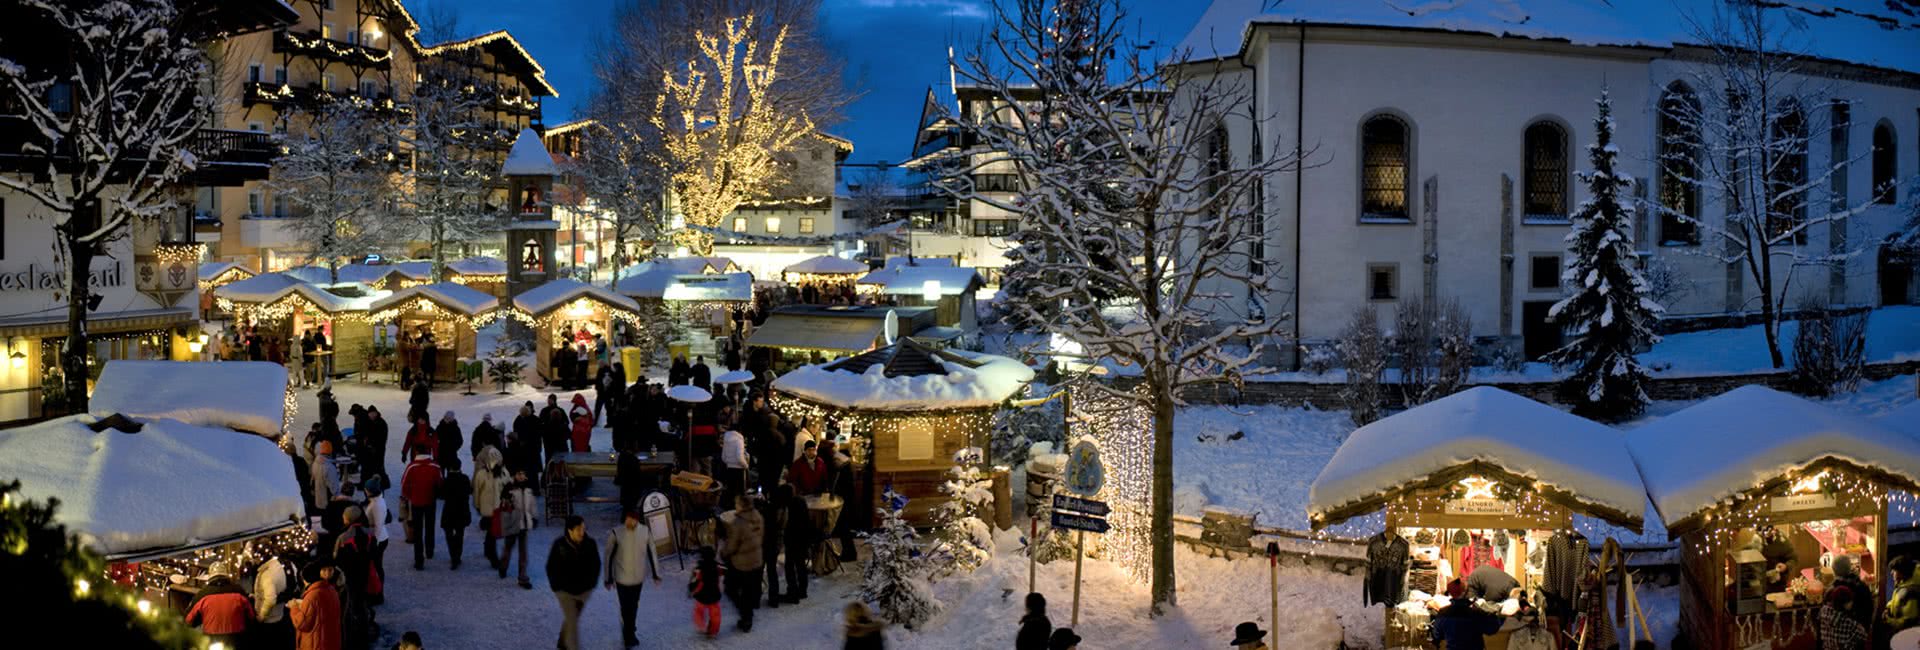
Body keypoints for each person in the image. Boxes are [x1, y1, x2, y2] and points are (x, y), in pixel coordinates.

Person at [605, 509, 664, 648]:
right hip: (621, 579)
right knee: (626, 607)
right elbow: (608, 556)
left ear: (637, 519)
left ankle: (630, 631)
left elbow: (652, 552)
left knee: (633, 606)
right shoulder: (616, 533)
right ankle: (628, 637)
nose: (629, 522)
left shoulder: (645, 532)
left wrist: (656, 574)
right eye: (627, 519)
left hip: (638, 579)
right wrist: (608, 578)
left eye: (632, 519)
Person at [547, 515, 601, 650]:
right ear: (569, 531)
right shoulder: (559, 545)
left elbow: (596, 565)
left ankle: (562, 642)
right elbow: (550, 566)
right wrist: (556, 587)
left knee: (573, 617)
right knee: (572, 622)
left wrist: (591, 584)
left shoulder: (590, 544)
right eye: (578, 529)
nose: (582, 532)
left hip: (583, 591)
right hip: (565, 592)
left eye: (583, 528)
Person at [722, 494, 765, 632]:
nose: (735, 506)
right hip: (757, 559)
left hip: (742, 564)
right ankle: (751, 607)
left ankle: (746, 618)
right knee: (750, 588)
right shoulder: (758, 516)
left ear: (741, 505)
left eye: (737, 503)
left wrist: (723, 553)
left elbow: (731, 546)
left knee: (731, 588)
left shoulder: (738, 523)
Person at [184, 561, 253, 647]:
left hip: (212, 639)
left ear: (210, 577)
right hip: (237, 639)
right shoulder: (239, 591)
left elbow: (188, 620)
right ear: (226, 576)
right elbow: (251, 615)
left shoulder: (202, 594)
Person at [400, 449, 442, 570]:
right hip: (430, 501)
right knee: (430, 526)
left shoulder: (412, 466)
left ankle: (419, 560)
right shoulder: (435, 466)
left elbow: (404, 484)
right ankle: (429, 551)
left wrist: (409, 496)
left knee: (417, 531)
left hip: (416, 502)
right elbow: (440, 483)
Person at [1431, 585, 1504, 650]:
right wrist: (1493, 614)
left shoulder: (1443, 612)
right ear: (1466, 594)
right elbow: (1492, 629)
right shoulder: (1475, 613)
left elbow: (1436, 635)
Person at [288, 561, 341, 650]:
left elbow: (302, 623)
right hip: (330, 641)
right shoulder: (331, 589)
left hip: (315, 643)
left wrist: (294, 607)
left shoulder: (313, 595)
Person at [252, 552, 300, 648]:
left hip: (269, 619)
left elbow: (270, 599)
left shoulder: (267, 574)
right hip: (282, 614)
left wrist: (262, 616)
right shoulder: (283, 565)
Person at [473, 444, 506, 571]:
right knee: (492, 533)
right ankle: (493, 558)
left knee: (491, 532)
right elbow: (477, 491)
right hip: (492, 508)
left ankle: (489, 552)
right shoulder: (498, 473)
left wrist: (477, 505)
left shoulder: (485, 473)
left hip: (493, 508)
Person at [438, 458, 473, 570]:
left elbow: (441, 495)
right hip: (462, 510)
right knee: (460, 533)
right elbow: (470, 491)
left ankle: (453, 555)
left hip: (449, 510)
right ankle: (457, 555)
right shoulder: (465, 478)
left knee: (449, 534)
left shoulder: (447, 480)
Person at [782, 489, 814, 603]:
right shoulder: (801, 502)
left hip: (793, 540)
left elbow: (788, 524)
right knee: (801, 566)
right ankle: (802, 591)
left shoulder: (790, 506)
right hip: (803, 540)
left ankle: (793, 592)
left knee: (789, 567)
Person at [1820, 584, 1871, 650]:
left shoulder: (1824, 612)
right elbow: (1864, 636)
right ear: (1845, 603)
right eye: (1850, 600)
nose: (1852, 603)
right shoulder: (1849, 622)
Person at [689, 546, 724, 638]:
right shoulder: (717, 566)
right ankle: (713, 631)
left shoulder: (699, 568)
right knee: (715, 615)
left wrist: (691, 590)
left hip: (702, 595)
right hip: (714, 595)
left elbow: (694, 581)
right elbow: (726, 571)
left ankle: (701, 626)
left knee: (698, 611)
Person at [363, 477, 392, 588]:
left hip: (378, 539)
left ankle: (379, 587)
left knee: (377, 565)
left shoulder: (376, 505)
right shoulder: (377, 500)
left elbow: (378, 525)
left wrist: (374, 541)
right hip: (379, 537)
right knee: (377, 564)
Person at [1888, 556, 1920, 634]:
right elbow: (1897, 600)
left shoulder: (1910, 592)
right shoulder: (1903, 582)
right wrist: (1888, 607)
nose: (1891, 573)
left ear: (1903, 572)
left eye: (1894, 570)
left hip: (1906, 633)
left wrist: (1889, 621)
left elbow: (1908, 622)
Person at [360, 406, 390, 485]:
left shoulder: (381, 423)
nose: (372, 415)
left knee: (378, 467)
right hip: (368, 449)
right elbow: (364, 434)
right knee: (367, 467)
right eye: (370, 414)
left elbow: (382, 438)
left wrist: (374, 446)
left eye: (374, 413)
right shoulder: (366, 421)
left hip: (379, 449)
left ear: (376, 413)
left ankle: (382, 483)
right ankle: (365, 483)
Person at [309, 440, 341, 514]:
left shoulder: (315, 463)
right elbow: (333, 486)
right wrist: (337, 495)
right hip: (327, 499)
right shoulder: (329, 467)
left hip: (317, 497)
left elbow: (313, 479)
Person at [720, 423, 749, 499]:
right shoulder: (739, 440)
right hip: (739, 469)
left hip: (729, 468)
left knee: (730, 491)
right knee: (739, 493)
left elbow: (723, 456)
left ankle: (730, 507)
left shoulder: (726, 438)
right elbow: (739, 457)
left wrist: (728, 462)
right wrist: (746, 465)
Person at [541, 395, 570, 465]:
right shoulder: (545, 410)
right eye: (548, 400)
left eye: (550, 400)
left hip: (552, 445)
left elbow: (567, 422)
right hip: (555, 444)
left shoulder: (559, 410)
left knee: (552, 460)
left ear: (554, 400)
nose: (548, 401)